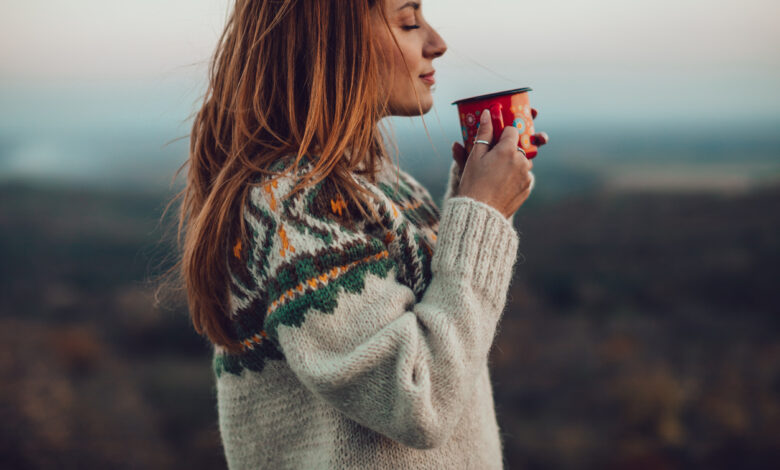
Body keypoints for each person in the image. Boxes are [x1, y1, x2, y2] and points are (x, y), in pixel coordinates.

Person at [177, 0, 548, 468]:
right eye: (409, 21)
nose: (437, 43)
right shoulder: (292, 205)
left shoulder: (382, 186)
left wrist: (475, 198)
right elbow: (418, 398)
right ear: (329, 44)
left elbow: (443, 328)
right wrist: (481, 213)